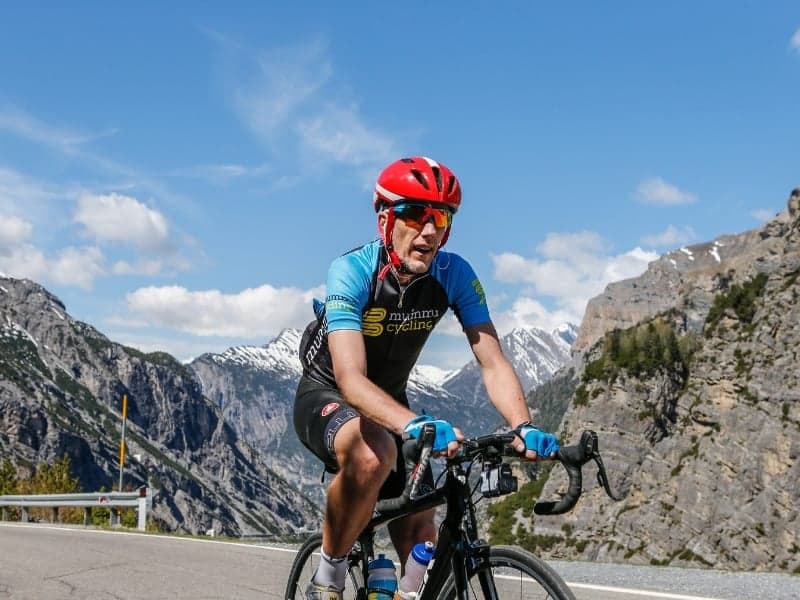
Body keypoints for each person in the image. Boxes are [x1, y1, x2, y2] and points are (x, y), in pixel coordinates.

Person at [294, 156, 559, 600]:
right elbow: (351, 378)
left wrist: (522, 425)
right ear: (384, 218)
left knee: (423, 519)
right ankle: (330, 574)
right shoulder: (354, 271)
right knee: (373, 453)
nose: (430, 231)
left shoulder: (454, 274)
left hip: (391, 403)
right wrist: (409, 424)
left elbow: (492, 360)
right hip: (329, 393)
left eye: (442, 217)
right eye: (416, 215)